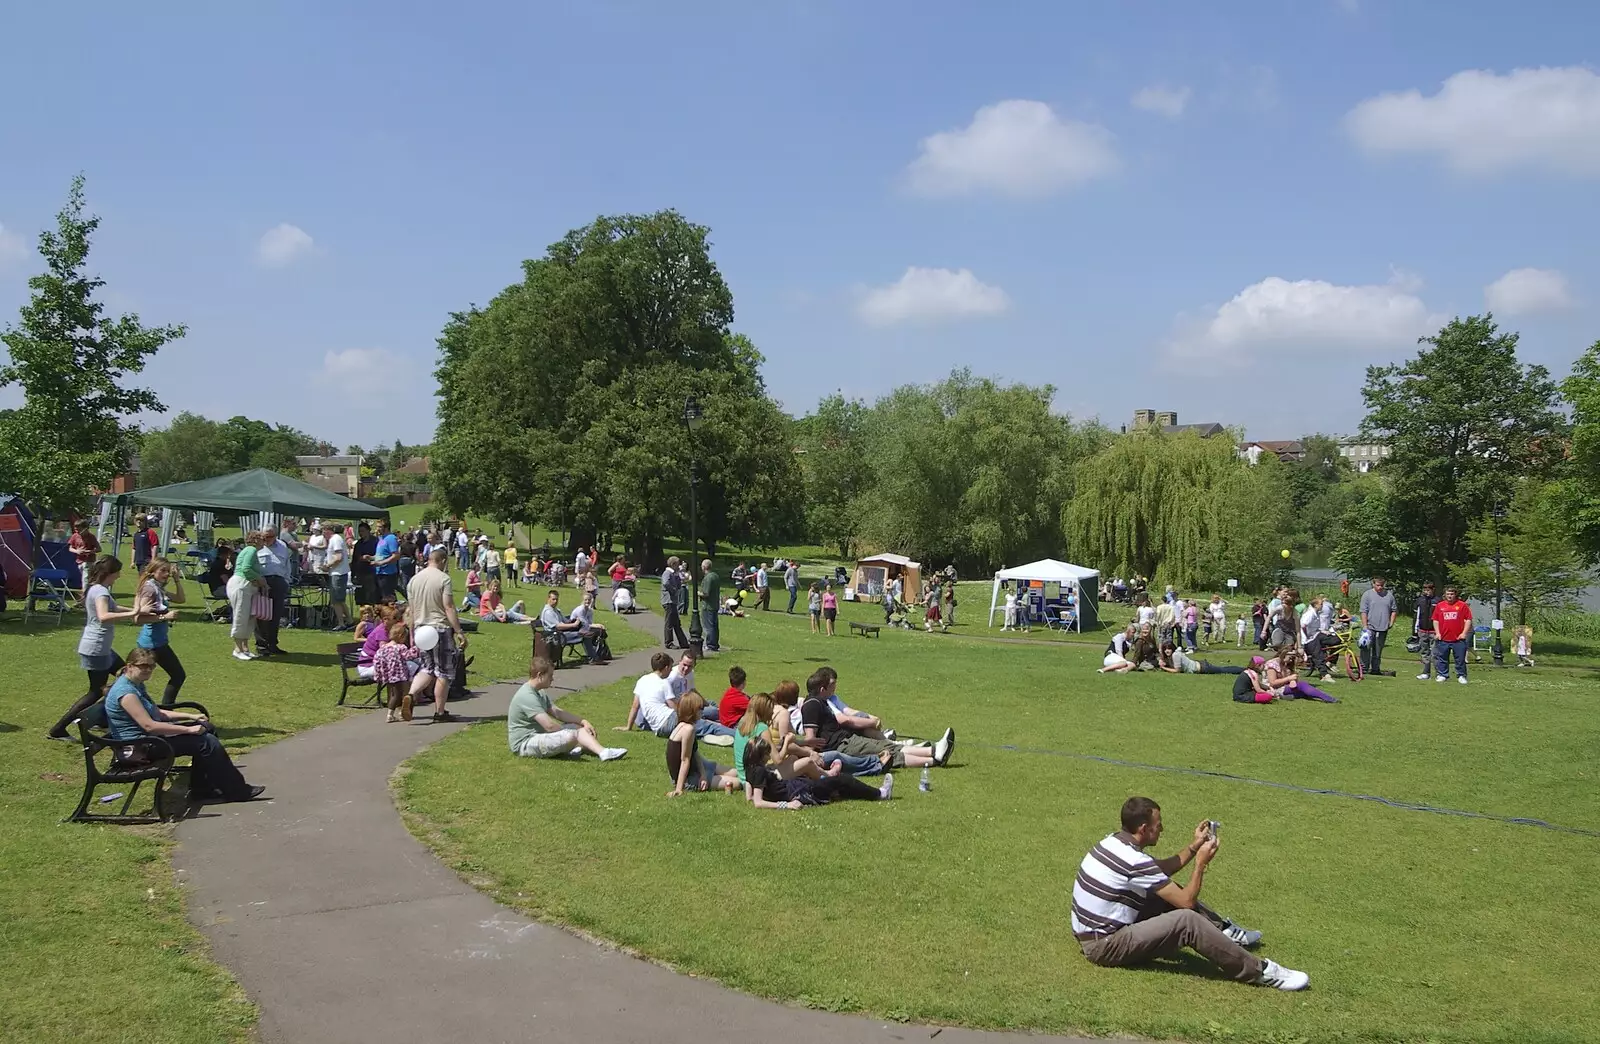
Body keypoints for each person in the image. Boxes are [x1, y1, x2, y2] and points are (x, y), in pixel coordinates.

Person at [1070, 797, 1307, 990]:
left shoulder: (1114, 843)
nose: (1162, 828)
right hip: (1104, 946)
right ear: (1144, 828)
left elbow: (1159, 870)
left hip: (1092, 933)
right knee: (1187, 920)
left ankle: (1222, 931)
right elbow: (1186, 902)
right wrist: (1201, 864)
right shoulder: (1133, 860)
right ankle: (1259, 971)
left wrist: (1194, 847)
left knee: (1159, 893)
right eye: (1158, 824)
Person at [105, 649, 265, 804]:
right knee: (206, 742)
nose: (148, 670)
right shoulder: (126, 693)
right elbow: (149, 726)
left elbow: (157, 713)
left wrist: (191, 716)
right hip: (140, 748)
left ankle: (202, 789)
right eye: (143, 666)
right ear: (130, 666)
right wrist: (189, 729)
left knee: (207, 727)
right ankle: (236, 791)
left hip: (150, 740)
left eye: (151, 666)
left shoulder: (135, 683)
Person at [49, 555, 140, 739]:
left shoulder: (98, 589)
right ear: (109, 573)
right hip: (96, 648)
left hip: (102, 648)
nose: (119, 576)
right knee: (95, 692)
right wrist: (133, 612)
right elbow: (104, 615)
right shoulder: (101, 592)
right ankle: (58, 729)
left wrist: (138, 611)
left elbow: (113, 608)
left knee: (125, 675)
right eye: (117, 572)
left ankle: (102, 719)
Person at [799, 669, 951, 771]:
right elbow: (810, 737)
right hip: (841, 745)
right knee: (885, 752)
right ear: (821, 690)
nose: (833, 689)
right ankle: (935, 758)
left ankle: (933, 752)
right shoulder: (812, 705)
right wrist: (813, 756)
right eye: (829, 686)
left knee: (885, 747)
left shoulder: (819, 702)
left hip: (846, 741)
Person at [507, 656, 628, 761]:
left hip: (539, 736)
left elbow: (557, 713)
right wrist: (571, 733)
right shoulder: (527, 696)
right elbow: (549, 726)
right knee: (572, 735)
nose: (552, 679)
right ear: (539, 675)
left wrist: (582, 721)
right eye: (550, 675)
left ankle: (599, 751)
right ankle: (593, 750)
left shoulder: (540, 692)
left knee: (579, 729)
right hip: (525, 744)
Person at [404, 547, 467, 723]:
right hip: (439, 628)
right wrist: (459, 631)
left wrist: (411, 634)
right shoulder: (443, 579)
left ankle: (410, 694)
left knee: (426, 668)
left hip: (420, 629)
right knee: (443, 672)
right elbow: (448, 606)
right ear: (443, 561)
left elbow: (412, 611)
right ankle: (440, 712)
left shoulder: (413, 581)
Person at [742, 736, 892, 808]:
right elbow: (757, 802)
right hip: (799, 792)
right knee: (843, 780)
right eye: (767, 754)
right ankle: (881, 794)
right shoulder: (760, 771)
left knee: (837, 787)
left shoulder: (750, 768)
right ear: (760, 755)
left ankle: (834, 784)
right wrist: (786, 806)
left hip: (795, 787)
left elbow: (750, 797)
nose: (770, 757)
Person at [132, 557, 187, 706]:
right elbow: (137, 619)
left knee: (134, 680)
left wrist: (177, 580)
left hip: (159, 642)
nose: (166, 574)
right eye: (162, 570)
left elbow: (181, 599)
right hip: (150, 644)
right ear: (152, 571)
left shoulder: (158, 587)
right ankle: (165, 710)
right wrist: (164, 617)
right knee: (134, 680)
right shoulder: (150, 589)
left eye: (168, 571)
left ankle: (165, 710)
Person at [665, 691, 739, 797]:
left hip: (697, 766)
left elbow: (693, 752)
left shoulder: (682, 724)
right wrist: (679, 789)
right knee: (738, 782)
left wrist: (703, 773)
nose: (702, 711)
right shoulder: (688, 729)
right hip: (689, 778)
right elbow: (684, 760)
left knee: (737, 772)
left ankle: (761, 774)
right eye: (700, 708)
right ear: (692, 711)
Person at [226, 531, 267, 660]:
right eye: (262, 539)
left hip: (247, 586)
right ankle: (237, 649)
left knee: (249, 617)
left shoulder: (251, 551)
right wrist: (260, 580)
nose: (264, 542)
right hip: (241, 585)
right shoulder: (251, 550)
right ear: (256, 540)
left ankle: (245, 648)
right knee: (241, 615)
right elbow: (246, 569)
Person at [255, 526, 291, 656]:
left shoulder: (282, 545)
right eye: (264, 536)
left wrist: (286, 580)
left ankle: (272, 644)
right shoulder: (257, 545)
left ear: (275, 536)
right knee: (261, 614)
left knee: (275, 615)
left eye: (269, 537)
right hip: (262, 582)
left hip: (279, 581)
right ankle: (261, 645)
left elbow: (287, 563)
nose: (266, 539)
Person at [538, 589, 601, 664]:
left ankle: (595, 655)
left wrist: (575, 620)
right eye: (553, 599)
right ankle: (593, 658)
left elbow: (565, 621)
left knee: (588, 632)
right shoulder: (548, 612)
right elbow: (558, 626)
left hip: (561, 633)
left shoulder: (555, 610)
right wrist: (574, 625)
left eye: (557, 599)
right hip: (555, 637)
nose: (555, 601)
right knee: (585, 635)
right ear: (548, 599)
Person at [374, 620, 419, 722]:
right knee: (397, 694)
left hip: (387, 675)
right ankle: (390, 714)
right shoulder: (400, 647)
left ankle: (398, 713)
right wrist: (416, 649)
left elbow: (377, 661)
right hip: (399, 675)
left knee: (392, 693)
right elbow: (408, 656)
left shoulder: (383, 648)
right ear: (401, 636)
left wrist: (379, 674)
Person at [1431, 585, 1473, 684]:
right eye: (1448, 594)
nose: (1450, 596)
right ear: (1445, 595)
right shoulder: (1440, 606)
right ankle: (1442, 675)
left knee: (1460, 659)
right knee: (1442, 658)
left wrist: (1464, 633)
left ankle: (1461, 675)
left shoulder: (1462, 605)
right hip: (1443, 638)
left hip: (1458, 638)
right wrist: (1437, 633)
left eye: (1452, 594)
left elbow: (1468, 619)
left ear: (1455, 595)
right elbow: (1435, 620)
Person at [1263, 648, 1338, 702]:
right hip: (1273, 688)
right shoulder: (1272, 664)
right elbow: (1272, 682)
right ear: (1284, 655)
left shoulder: (1286, 664)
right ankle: (1327, 698)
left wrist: (1293, 680)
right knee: (1302, 685)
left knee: (1304, 688)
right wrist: (1288, 678)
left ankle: (1292, 696)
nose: (1291, 660)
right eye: (1290, 658)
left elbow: (1290, 678)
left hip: (1284, 685)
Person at [1357, 576, 1397, 676]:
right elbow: (1363, 611)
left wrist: (1391, 622)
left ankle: (1375, 669)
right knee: (1365, 648)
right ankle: (1364, 668)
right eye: (1378, 585)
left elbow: (1394, 610)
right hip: (1369, 627)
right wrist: (1365, 625)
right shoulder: (1367, 594)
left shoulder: (1389, 596)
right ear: (1373, 584)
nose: (1380, 587)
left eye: (1381, 585)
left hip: (1383, 627)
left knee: (1378, 650)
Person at [322, 521, 351, 630]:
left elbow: (339, 557)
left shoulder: (336, 539)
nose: (323, 533)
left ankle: (341, 623)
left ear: (328, 530)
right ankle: (348, 621)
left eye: (323, 530)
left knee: (336, 600)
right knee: (339, 599)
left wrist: (327, 566)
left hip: (338, 573)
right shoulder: (334, 540)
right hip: (336, 572)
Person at [1157, 641, 1247, 675]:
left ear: (1172, 648)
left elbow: (1177, 670)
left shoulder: (1175, 655)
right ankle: (1245, 670)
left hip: (1202, 668)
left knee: (1223, 670)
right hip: (1199, 665)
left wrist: (1164, 668)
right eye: (1165, 649)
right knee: (1222, 669)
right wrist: (1162, 659)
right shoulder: (1172, 655)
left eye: (1169, 649)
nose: (1167, 651)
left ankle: (1245, 670)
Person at [659, 555, 688, 649]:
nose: (679, 565)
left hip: (673, 601)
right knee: (669, 622)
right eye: (677, 564)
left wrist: (678, 575)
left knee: (676, 623)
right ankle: (668, 642)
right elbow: (666, 583)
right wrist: (673, 590)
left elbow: (679, 584)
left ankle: (683, 642)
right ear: (673, 564)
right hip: (668, 600)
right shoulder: (667, 573)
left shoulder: (674, 574)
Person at [371, 518, 401, 603]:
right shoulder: (382, 539)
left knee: (388, 599)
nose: (377, 529)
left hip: (388, 574)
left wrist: (380, 563)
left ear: (386, 527)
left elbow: (396, 555)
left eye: (379, 527)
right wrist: (371, 557)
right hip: (380, 573)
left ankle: (393, 615)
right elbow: (381, 555)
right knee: (381, 599)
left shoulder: (391, 538)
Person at [68, 521, 100, 594]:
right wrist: (77, 551)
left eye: (79, 530)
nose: (77, 531)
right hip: (79, 560)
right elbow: (70, 548)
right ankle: (91, 593)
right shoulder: (75, 536)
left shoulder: (91, 537)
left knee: (85, 579)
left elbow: (98, 549)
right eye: (76, 530)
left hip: (89, 560)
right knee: (86, 579)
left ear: (85, 529)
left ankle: (84, 598)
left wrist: (89, 551)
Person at [351, 521, 379, 606]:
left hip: (371, 572)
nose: (361, 533)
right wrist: (353, 574)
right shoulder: (358, 544)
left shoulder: (377, 541)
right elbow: (354, 560)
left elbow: (382, 555)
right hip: (360, 573)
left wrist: (370, 557)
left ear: (368, 530)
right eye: (359, 531)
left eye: (362, 531)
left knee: (371, 596)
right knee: (360, 597)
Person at [699, 558, 722, 652]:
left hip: (708, 606)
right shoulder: (715, 576)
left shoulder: (708, 578)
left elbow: (706, 593)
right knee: (714, 626)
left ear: (704, 567)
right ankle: (715, 643)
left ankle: (710, 645)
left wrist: (698, 593)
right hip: (715, 604)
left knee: (708, 626)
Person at [718, 664, 751, 728]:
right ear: (744, 682)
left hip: (725, 722)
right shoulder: (738, 698)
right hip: (732, 726)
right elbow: (756, 706)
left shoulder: (730, 692)